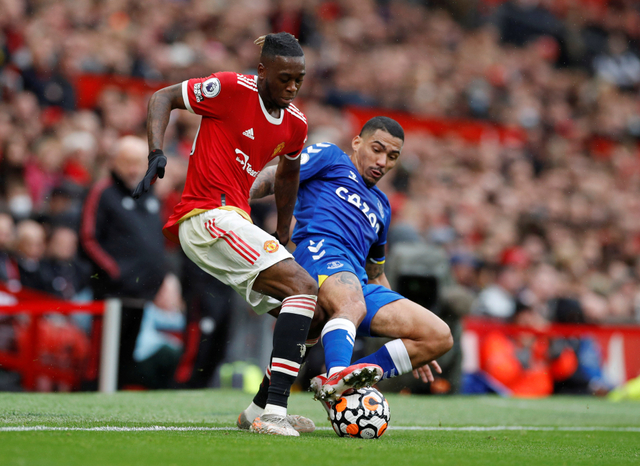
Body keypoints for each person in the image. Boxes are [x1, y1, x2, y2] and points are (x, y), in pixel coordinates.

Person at [133, 32, 320, 437]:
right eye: (284, 77)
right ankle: (274, 414)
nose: (291, 87)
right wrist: (155, 152)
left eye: (298, 79)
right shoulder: (233, 88)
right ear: (262, 70)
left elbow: (289, 175)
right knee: (304, 287)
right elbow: (163, 96)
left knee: (314, 318)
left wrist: (284, 232)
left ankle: (257, 409)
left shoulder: (296, 124)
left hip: (236, 219)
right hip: (205, 215)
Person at [248, 116, 454, 409]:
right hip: (319, 257)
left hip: (355, 281)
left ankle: (351, 378)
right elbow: (278, 175)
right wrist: (235, 197)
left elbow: (376, 273)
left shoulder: (382, 206)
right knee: (352, 302)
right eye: (377, 149)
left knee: (438, 335)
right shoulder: (331, 158)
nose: (382, 162)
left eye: (392, 156)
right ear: (357, 142)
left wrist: (414, 344)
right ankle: (337, 385)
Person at [80, 135, 167, 389]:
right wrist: (114, 272)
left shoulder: (150, 195)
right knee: (101, 359)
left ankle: (111, 410)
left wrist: (162, 276)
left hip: (142, 294)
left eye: (137, 162)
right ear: (114, 161)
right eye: (126, 162)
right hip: (112, 296)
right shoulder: (103, 191)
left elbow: (158, 242)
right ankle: (87, 403)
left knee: (126, 357)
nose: (132, 169)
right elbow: (87, 239)